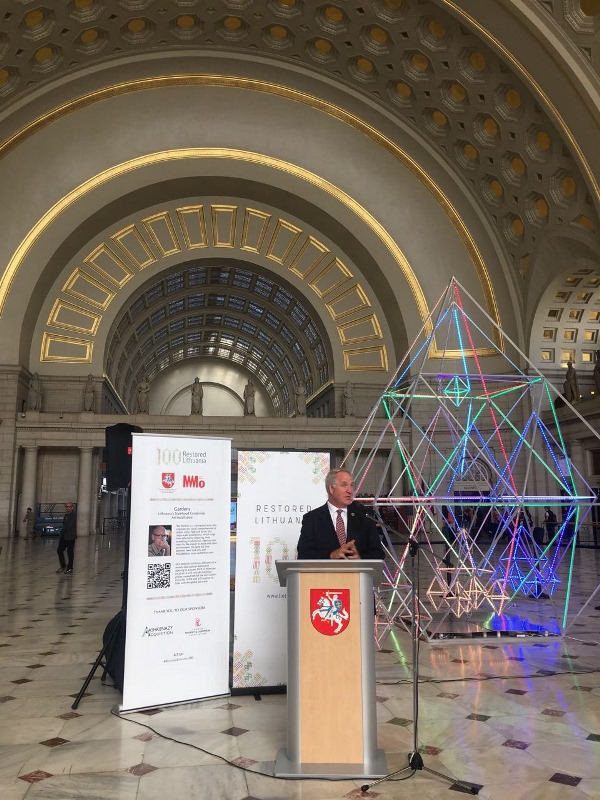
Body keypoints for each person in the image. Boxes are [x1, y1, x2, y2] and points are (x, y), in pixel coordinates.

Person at [297, 468, 384, 560]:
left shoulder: (364, 516)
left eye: (351, 485)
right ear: (331, 489)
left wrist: (360, 559)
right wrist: (331, 556)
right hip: (327, 570)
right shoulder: (312, 519)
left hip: (357, 569)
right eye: (344, 485)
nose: (350, 491)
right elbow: (304, 555)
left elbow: (378, 554)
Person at [57, 502, 77, 574]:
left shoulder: (73, 515)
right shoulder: (66, 515)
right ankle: (63, 566)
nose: (67, 508)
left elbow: (69, 526)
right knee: (59, 550)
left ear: (72, 507)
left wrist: (62, 532)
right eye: (66, 507)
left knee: (70, 552)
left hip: (70, 536)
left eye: (69, 507)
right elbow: (64, 524)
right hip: (64, 536)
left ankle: (70, 567)